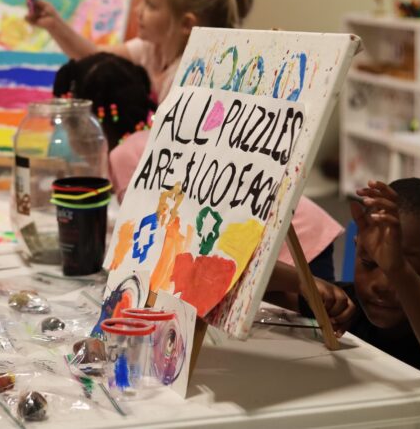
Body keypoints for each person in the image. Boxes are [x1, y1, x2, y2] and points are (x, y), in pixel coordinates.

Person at [53, 52, 341, 280]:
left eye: (69, 122)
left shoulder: (125, 155)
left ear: (89, 118)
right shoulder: (156, 134)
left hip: (291, 245)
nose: (66, 133)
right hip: (300, 229)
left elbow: (151, 238)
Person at [268, 179, 420, 428]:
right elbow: (249, 287)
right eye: (370, 263)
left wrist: (399, 270)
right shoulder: (346, 305)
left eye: (406, 270)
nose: (382, 283)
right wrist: (301, 280)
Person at [29, 0, 255, 103]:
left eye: (151, 5)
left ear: (185, 24)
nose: (138, 11)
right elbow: (93, 55)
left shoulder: (190, 78)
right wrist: (54, 24)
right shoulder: (152, 49)